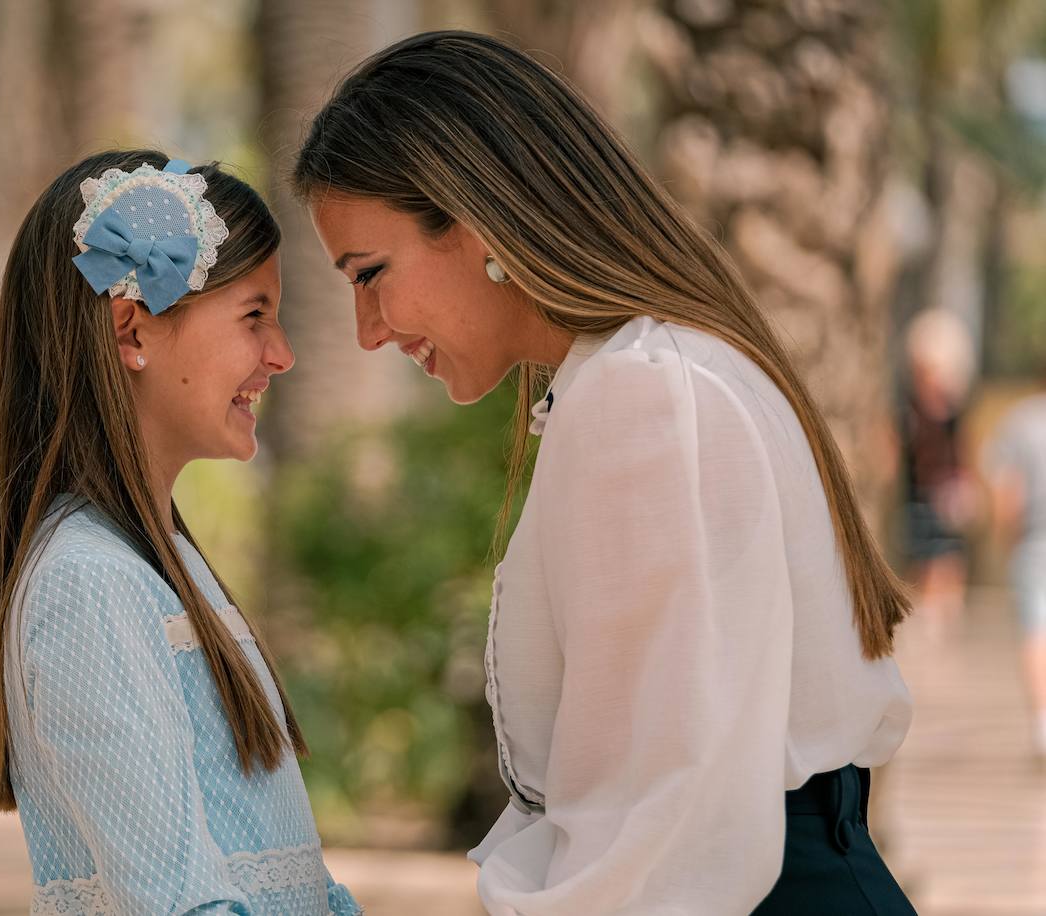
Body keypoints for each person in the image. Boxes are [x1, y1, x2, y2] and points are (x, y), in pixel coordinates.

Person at [295, 31, 915, 915]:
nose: (367, 329)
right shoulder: (654, 372)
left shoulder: (645, 394)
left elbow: (661, 832)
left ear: (475, 223)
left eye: (371, 274)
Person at [0, 149, 359, 915]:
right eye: (254, 316)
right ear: (131, 331)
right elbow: (175, 902)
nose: (280, 355)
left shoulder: (155, 564)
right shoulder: (88, 582)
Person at [899, 307, 979, 638]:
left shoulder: (955, 413)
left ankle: (945, 617)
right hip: (918, 496)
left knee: (948, 556)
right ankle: (928, 617)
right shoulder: (909, 411)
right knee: (922, 555)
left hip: (946, 496)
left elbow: (964, 453)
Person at [984, 370, 1046, 759]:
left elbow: (1009, 492)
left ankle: (1043, 720)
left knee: (1037, 631)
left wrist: (1004, 538)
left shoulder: (1020, 422)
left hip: (1033, 543)